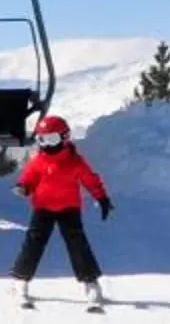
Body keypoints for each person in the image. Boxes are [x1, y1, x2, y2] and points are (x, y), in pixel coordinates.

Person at [11, 114, 113, 309]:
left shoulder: (75, 161)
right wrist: (23, 187)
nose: (47, 145)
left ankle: (90, 282)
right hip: (43, 207)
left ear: (64, 138)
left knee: (77, 244)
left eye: (52, 139)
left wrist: (101, 197)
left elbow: (90, 180)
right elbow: (29, 178)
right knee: (33, 243)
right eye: (42, 139)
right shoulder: (39, 160)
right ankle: (20, 281)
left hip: (69, 208)